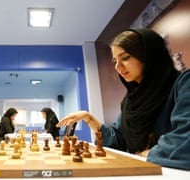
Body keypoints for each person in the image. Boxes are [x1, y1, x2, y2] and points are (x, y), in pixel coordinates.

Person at [57, 28, 190, 170]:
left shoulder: (184, 83)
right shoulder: (130, 102)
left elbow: (186, 138)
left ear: (148, 55)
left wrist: (149, 153)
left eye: (125, 57)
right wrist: (88, 117)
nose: (118, 67)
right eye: (115, 61)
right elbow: (118, 140)